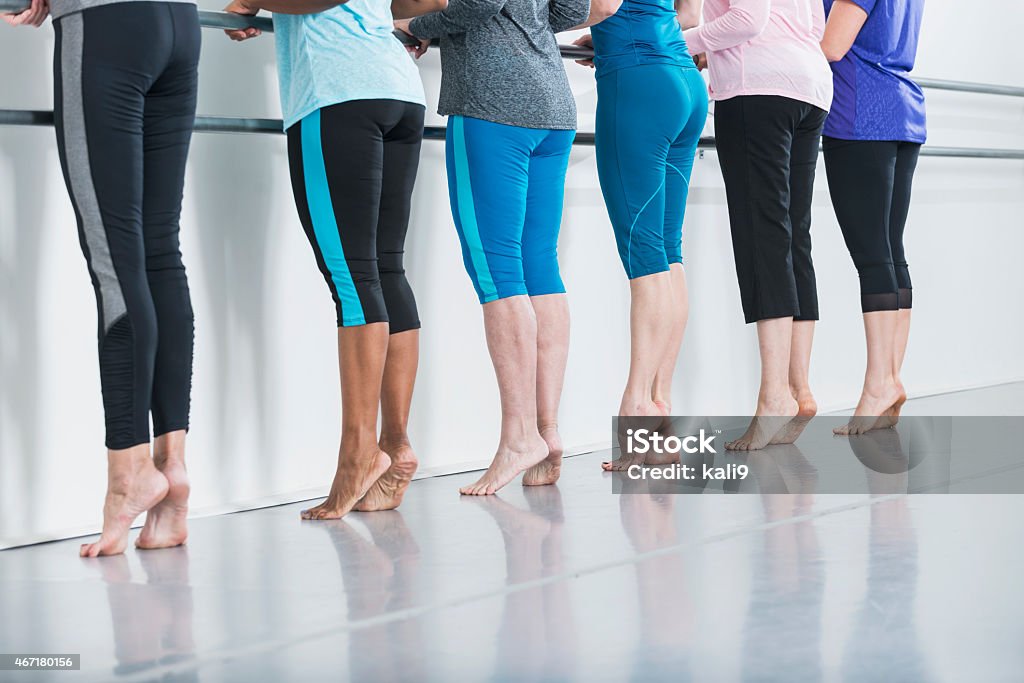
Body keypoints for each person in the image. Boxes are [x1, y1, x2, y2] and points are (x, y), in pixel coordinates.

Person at [224, 0, 444, 518]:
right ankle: (395, 446)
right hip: (398, 88)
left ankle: (357, 454)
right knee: (386, 267)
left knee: (353, 276)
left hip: (340, 90)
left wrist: (253, 2)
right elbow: (430, 2)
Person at [4, 0, 201, 556]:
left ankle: (128, 473)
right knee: (161, 250)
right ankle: (172, 468)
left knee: (116, 262)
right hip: (179, 23)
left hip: (107, 21)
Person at [394, 0, 598, 495]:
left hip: (493, 104)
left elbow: (480, 3)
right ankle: (545, 430)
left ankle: (517, 438)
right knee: (538, 267)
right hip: (551, 102)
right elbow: (573, 8)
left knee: (497, 271)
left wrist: (412, 25)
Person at [682, 0, 833, 450]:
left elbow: (749, 19)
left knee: (762, 234)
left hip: (759, 89)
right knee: (791, 236)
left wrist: (678, 43)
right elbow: (811, 23)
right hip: (808, 87)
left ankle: (773, 399)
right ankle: (798, 389)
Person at [571, 0, 708, 471]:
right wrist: (609, 31)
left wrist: (596, 26)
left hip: (638, 80)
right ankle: (659, 402)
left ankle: (638, 407)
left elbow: (600, 5)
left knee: (644, 251)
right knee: (668, 250)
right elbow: (687, 16)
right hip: (684, 82)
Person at [820, 0, 926, 435]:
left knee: (872, 256)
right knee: (889, 252)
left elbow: (831, 46)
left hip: (860, 115)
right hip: (902, 111)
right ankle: (890, 379)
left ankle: (878, 384)